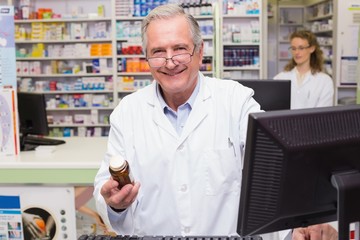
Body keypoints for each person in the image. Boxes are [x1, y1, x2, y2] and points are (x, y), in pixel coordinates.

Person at [93, 4, 338, 240]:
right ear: (147, 59)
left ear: (199, 52)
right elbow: (106, 187)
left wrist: (305, 218)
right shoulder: (128, 112)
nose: (170, 61)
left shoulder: (236, 100)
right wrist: (115, 204)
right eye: (158, 52)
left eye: (179, 48)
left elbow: (275, 169)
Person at [274, 30, 334, 109]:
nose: (297, 52)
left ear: (312, 49)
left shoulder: (325, 81)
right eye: (293, 48)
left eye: (301, 48)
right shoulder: (280, 78)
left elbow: (323, 115)